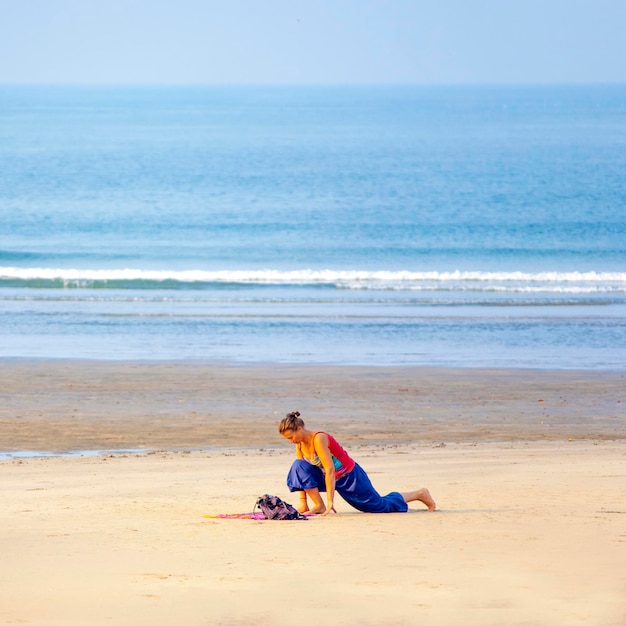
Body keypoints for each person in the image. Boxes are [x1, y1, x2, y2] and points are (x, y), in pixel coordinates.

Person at [278, 411, 436, 515]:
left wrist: (330, 501)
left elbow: (330, 469)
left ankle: (419, 494)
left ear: (299, 429)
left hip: (349, 477)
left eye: (291, 437)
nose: (291, 441)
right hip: (328, 479)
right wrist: (303, 504)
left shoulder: (319, 438)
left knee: (379, 506)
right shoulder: (299, 445)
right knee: (297, 466)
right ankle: (317, 506)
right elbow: (302, 475)